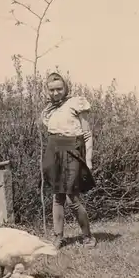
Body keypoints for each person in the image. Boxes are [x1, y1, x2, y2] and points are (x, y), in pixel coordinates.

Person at [41, 72, 96, 248]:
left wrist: (88, 160)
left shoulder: (76, 103)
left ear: (66, 87)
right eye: (52, 90)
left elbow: (87, 134)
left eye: (59, 89)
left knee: (72, 197)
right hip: (53, 151)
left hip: (72, 150)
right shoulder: (48, 110)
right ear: (47, 91)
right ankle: (58, 237)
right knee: (57, 196)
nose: (56, 93)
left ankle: (87, 236)